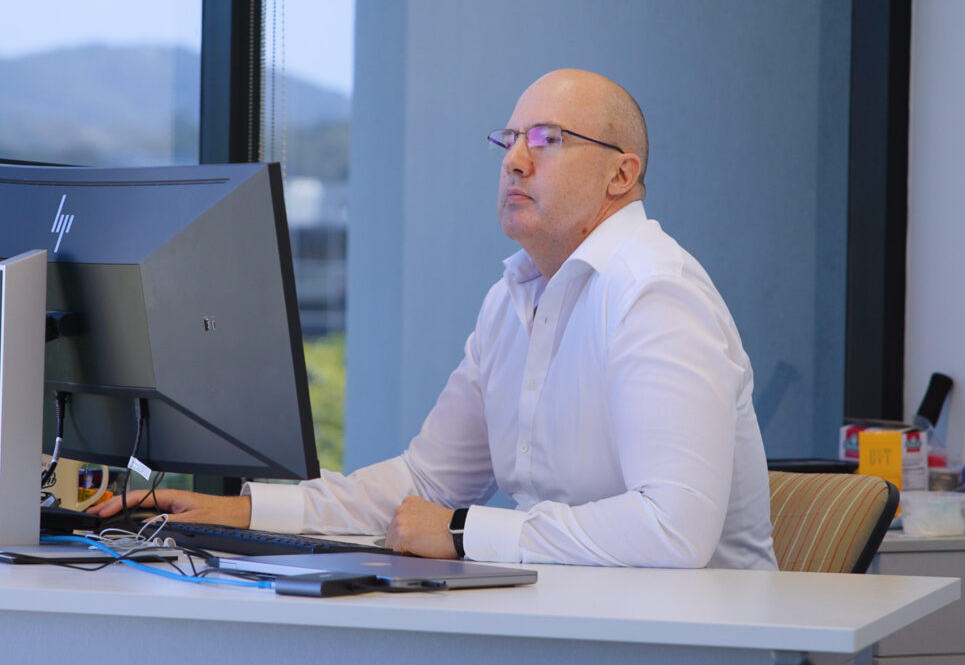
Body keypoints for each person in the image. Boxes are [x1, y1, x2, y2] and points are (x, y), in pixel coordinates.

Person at [92, 69, 777, 569]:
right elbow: (422, 485)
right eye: (508, 140)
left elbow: (671, 532)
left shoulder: (653, 292)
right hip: (571, 631)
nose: (513, 159)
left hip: (707, 658)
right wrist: (243, 510)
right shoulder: (510, 300)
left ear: (620, 175)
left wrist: (458, 532)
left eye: (546, 139)